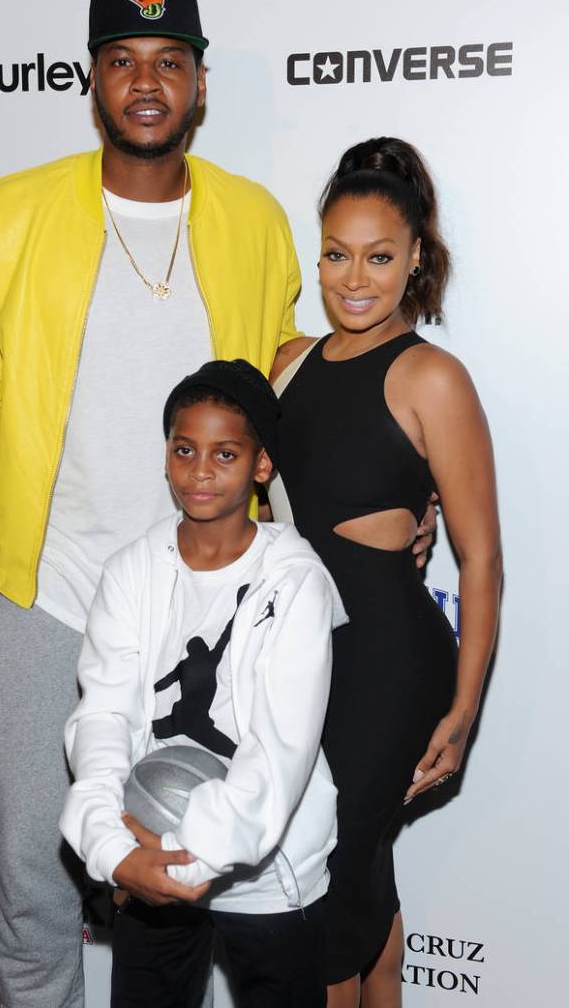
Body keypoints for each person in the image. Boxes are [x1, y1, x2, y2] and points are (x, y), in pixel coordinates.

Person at [0, 0, 305, 1006]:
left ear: (199, 83)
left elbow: (287, 392)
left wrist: (393, 492)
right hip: (39, 608)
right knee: (32, 907)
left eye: (169, 62)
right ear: (93, 79)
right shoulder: (8, 214)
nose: (147, 83)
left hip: (205, 616)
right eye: (123, 61)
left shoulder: (255, 219)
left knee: (190, 898)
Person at [268, 137, 502, 1008]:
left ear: (414, 261)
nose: (354, 278)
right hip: (300, 660)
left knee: (328, 888)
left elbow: (481, 557)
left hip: (390, 664)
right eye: (337, 255)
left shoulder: (432, 378)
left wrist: (464, 712)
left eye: (378, 257)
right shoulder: (286, 364)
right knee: (361, 878)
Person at [60, 359, 346, 1008]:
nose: (200, 471)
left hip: (271, 877)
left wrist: (185, 854)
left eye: (225, 453)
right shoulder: (131, 571)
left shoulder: (296, 581)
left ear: (262, 465)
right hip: (150, 861)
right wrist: (115, 850)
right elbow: (101, 718)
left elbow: (279, 751)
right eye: (184, 449)